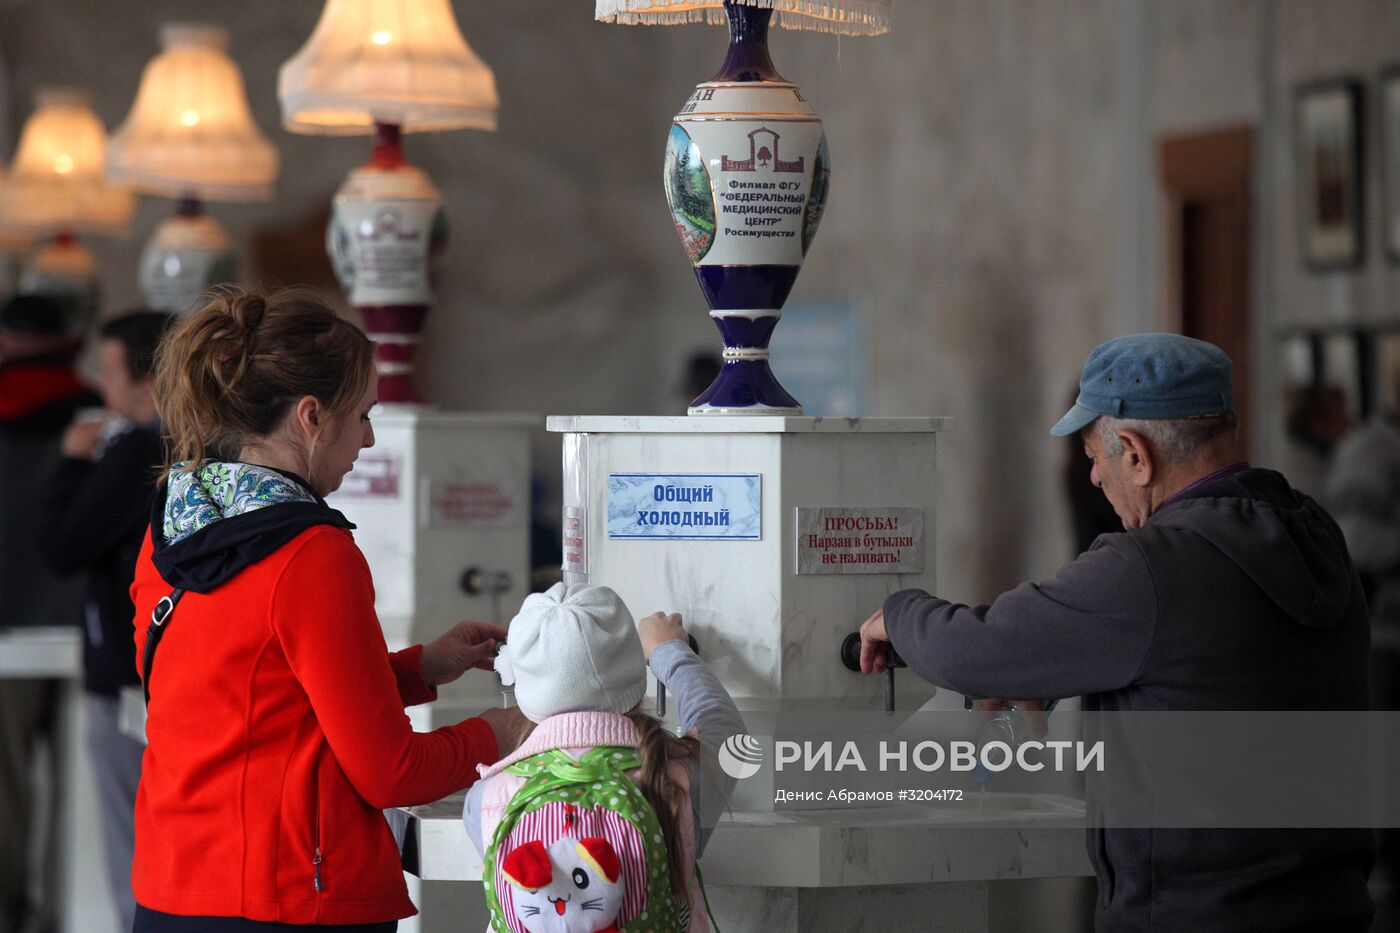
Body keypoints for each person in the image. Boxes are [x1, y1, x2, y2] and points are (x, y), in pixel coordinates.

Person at [858, 333, 1374, 932]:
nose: (1096, 478)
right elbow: (1209, 669)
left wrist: (899, 612)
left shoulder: (1153, 567)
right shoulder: (1316, 534)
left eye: (1092, 456)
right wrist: (1056, 669)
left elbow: (977, 647)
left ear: (1134, 452)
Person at [129, 288, 525, 932]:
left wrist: (423, 666)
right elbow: (390, 773)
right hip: (290, 898)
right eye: (363, 415)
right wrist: (498, 732)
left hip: (174, 887)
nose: (368, 440)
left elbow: (248, 700)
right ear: (311, 417)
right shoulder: (313, 553)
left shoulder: (172, 531)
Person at [463, 583, 742, 932]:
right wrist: (668, 650)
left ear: (525, 690)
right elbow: (727, 733)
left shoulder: (487, 798)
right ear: (632, 672)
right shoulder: (673, 780)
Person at [41, 310, 172, 933]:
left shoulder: (141, 448)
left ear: (145, 378)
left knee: (133, 845)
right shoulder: (183, 445)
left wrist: (70, 463)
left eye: (110, 368)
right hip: (152, 669)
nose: (100, 382)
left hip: (125, 673)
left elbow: (65, 546)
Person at [0, 293, 100, 933]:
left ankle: (10, 911)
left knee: (6, 790)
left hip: (7, 625)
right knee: (82, 799)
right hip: (88, 623)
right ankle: (70, 916)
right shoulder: (96, 413)